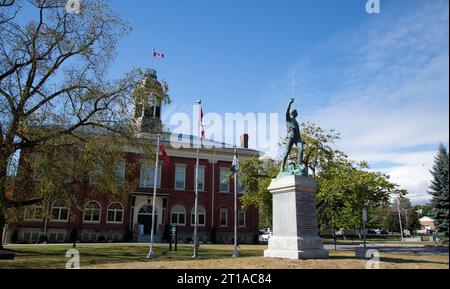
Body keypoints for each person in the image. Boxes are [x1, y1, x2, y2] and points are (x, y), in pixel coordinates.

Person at [280, 98, 304, 173]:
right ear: (293, 113)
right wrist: (290, 103)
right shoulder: (288, 119)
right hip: (291, 136)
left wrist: (301, 139)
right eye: (296, 111)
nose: (297, 112)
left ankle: (299, 164)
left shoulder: (296, 121)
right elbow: (286, 111)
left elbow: (298, 130)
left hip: (297, 137)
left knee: (301, 149)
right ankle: (282, 167)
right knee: (287, 151)